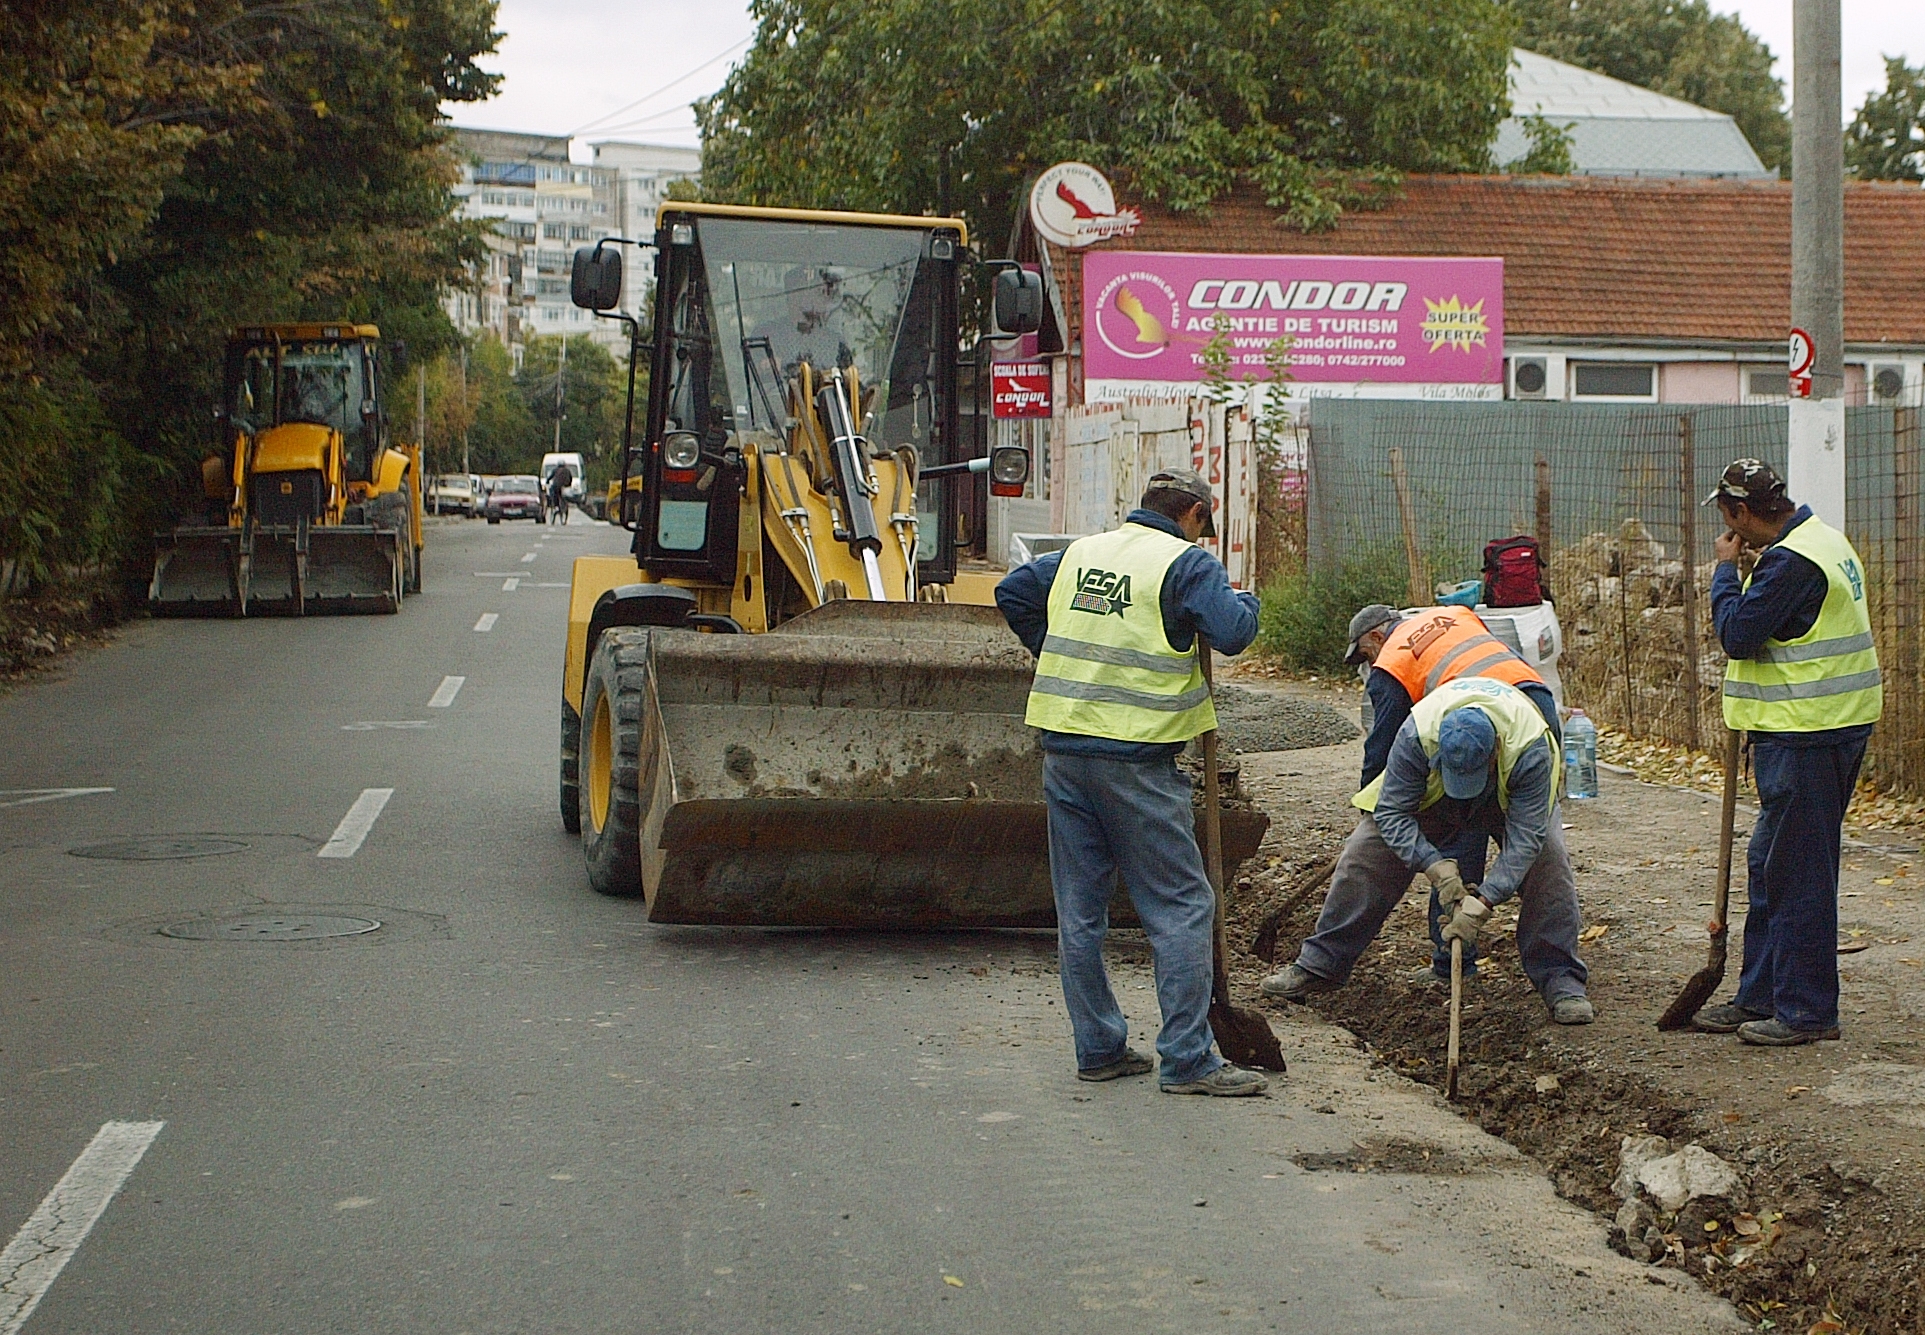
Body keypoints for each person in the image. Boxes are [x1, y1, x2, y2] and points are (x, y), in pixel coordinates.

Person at [996, 469, 1270, 1096]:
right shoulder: (1187, 564)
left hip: (1064, 750)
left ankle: (1098, 1047)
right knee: (1180, 905)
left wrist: (1059, 648)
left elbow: (1013, 592)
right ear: (1195, 514)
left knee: (1081, 909)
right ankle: (1187, 1058)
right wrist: (1246, 601)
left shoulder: (1081, 554)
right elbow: (1231, 632)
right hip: (1137, 758)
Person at [1261, 675, 1594, 1024]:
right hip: (1433, 796)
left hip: (1510, 796)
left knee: (1549, 865)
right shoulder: (1418, 734)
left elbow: (1527, 839)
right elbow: (1391, 812)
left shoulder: (1530, 747)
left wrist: (1483, 902)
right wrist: (1433, 865)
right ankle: (1320, 965)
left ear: (1495, 749)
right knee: (1365, 853)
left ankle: (1561, 979)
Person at [1692, 459, 1881, 1046]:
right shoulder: (1820, 539)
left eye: (1726, 518)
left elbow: (1739, 635)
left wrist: (1725, 573)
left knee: (1798, 871)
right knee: (1771, 865)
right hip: (1819, 730)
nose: (1726, 530)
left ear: (1742, 513)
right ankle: (1761, 995)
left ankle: (1806, 1011)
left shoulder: (1790, 563)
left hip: (1809, 735)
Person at [1344, 602, 1562, 985]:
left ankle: (1453, 963)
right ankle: (1530, 972)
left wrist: (1372, 803)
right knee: (1531, 853)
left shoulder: (1391, 663)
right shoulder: (1455, 615)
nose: (1368, 663)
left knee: (1497, 842)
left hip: (1515, 728)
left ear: (1377, 636)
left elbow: (1382, 744)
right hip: (1534, 699)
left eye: (1364, 654)